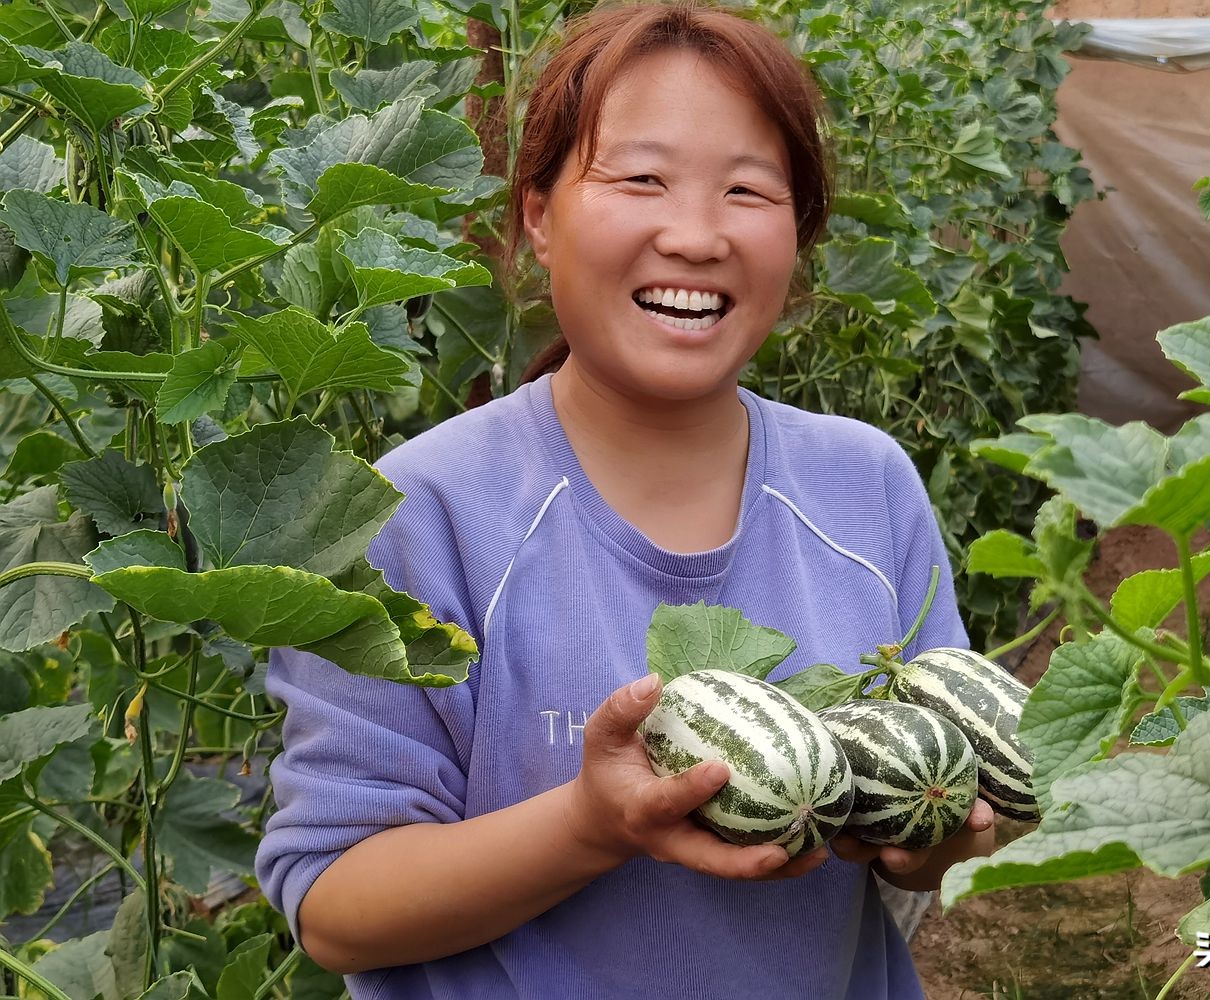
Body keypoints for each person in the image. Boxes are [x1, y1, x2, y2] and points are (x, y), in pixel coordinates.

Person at [253, 2, 997, 997]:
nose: (694, 235)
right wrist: (588, 826)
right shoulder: (414, 515)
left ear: (800, 233)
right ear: (538, 214)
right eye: (640, 179)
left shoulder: (867, 486)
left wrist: (930, 832)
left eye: (747, 190)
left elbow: (942, 801)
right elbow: (335, 902)